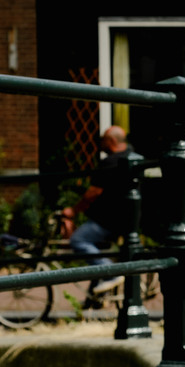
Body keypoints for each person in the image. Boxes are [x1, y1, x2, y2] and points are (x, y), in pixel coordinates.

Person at [62, 126, 133, 297]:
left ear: (112, 141)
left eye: (103, 139)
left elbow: (93, 192)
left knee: (78, 240)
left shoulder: (110, 162)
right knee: (94, 249)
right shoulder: (132, 156)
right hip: (128, 217)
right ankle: (94, 297)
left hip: (107, 220)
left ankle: (111, 273)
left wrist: (73, 210)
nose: (100, 143)